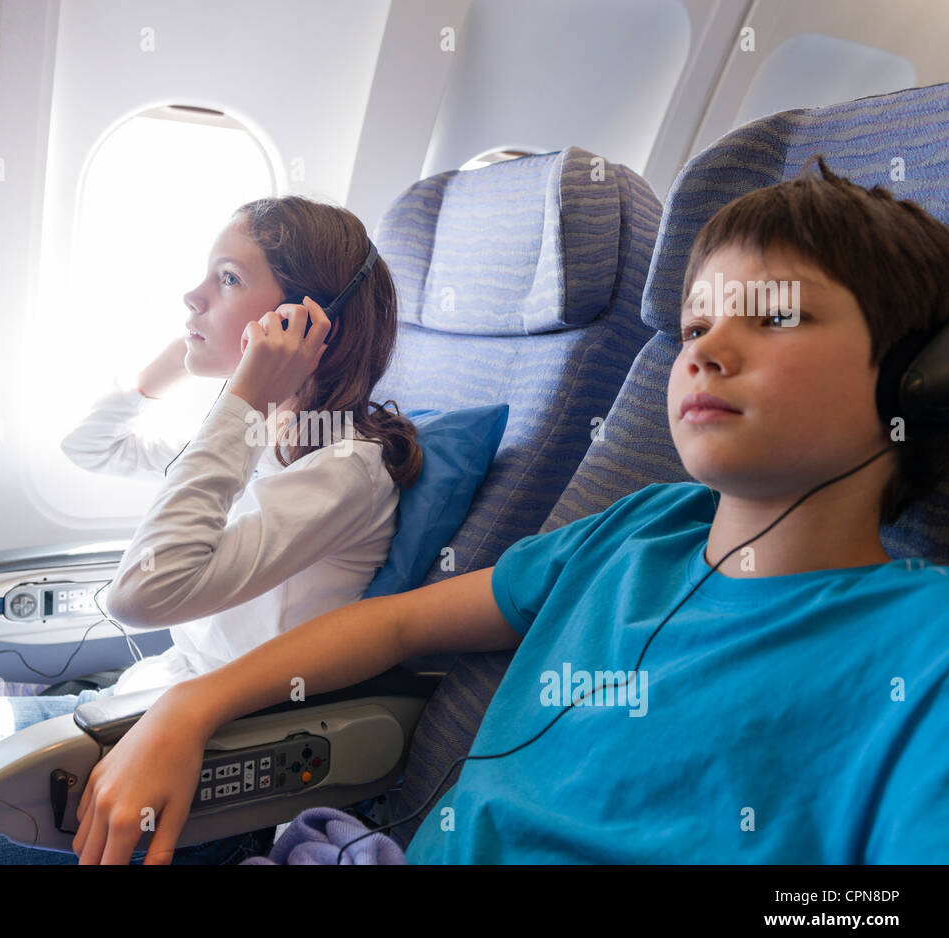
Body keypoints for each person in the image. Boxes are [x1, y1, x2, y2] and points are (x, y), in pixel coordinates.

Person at [69, 157, 949, 865]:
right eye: (692, 327)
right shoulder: (635, 533)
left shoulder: (922, 646)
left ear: (917, 380)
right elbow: (395, 626)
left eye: (774, 318)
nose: (709, 348)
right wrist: (193, 708)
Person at [0, 195, 423, 864]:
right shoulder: (261, 434)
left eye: (227, 278)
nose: (193, 295)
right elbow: (90, 446)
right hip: (131, 709)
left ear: (308, 320)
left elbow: (140, 595)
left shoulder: (342, 471)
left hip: (212, 776)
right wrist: (187, 358)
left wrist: (239, 392)